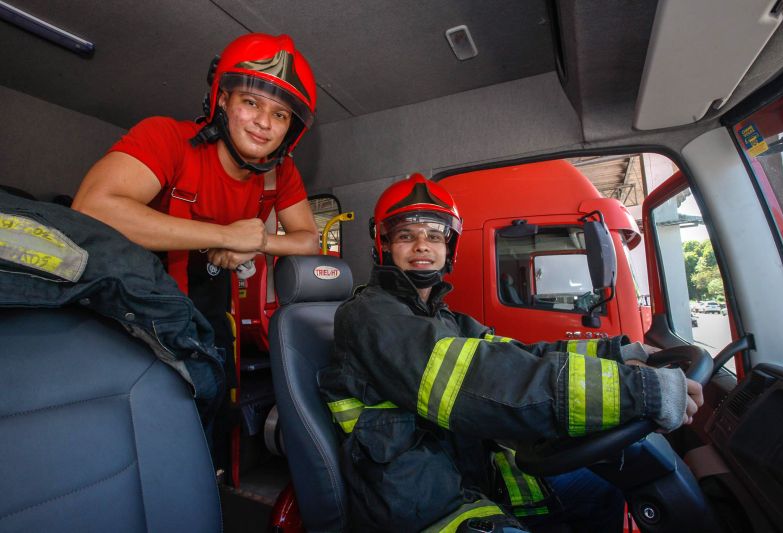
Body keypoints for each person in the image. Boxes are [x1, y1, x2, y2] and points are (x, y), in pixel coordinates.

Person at [318, 174, 703, 532]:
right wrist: (643, 393)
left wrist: (619, 354)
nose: (422, 245)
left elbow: (518, 354)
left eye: (435, 236)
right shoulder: (370, 316)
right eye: (406, 235)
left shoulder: (442, 317)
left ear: (448, 246)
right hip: (423, 502)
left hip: (469, 473)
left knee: (603, 489)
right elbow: (485, 381)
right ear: (383, 244)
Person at [72, 33, 320, 466]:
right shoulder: (167, 139)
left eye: (279, 114)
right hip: (136, 312)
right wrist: (223, 235)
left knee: (211, 417)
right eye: (252, 103)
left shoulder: (280, 175)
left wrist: (259, 243)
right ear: (222, 100)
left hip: (209, 312)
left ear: (290, 129)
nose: (264, 121)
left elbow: (307, 238)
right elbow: (93, 208)